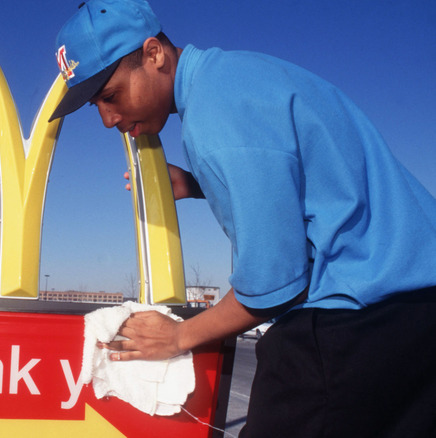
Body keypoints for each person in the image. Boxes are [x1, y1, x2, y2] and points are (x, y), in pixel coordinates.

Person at [50, 0, 436, 436]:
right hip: (413, 313)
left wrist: (179, 337)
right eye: (95, 106)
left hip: (354, 324)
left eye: (110, 95)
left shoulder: (214, 117)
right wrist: (199, 184)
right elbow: (306, 183)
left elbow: (273, 287)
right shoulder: (234, 78)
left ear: (154, 54)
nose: (107, 119)